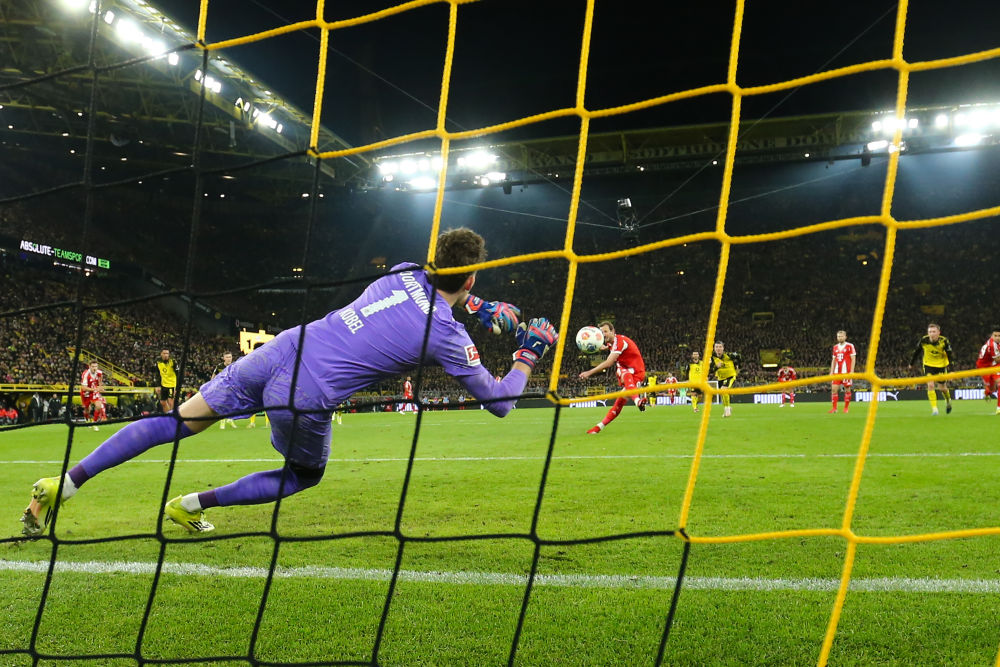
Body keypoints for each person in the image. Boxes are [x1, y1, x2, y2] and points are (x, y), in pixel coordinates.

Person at [21, 228, 557, 536]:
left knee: (176, 422)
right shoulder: (446, 335)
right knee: (303, 475)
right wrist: (528, 351)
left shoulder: (402, 269)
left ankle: (63, 483)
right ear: (472, 276)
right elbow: (500, 401)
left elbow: (436, 282)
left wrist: (479, 305)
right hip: (307, 392)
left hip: (280, 349)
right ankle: (190, 505)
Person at [579, 321, 647, 434]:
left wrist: (589, 372)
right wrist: (605, 347)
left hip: (636, 373)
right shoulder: (612, 343)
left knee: (621, 370)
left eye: (605, 331)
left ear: (613, 331)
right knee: (619, 403)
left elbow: (608, 363)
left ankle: (637, 401)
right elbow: (611, 346)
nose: (603, 334)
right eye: (601, 332)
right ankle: (598, 427)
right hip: (630, 375)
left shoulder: (619, 342)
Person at [908, 323, 953, 415]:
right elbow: (917, 352)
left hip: (941, 366)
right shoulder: (924, 340)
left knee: (942, 388)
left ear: (939, 332)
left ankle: (948, 401)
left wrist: (951, 371)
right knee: (931, 385)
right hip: (928, 365)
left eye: (933, 332)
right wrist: (911, 364)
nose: (931, 334)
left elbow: (950, 355)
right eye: (930, 332)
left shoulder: (944, 341)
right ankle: (934, 409)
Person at [707, 341, 740, 418]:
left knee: (724, 389)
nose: (718, 349)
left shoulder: (729, 355)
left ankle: (727, 410)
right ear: (714, 348)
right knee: (723, 393)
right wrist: (716, 367)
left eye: (720, 347)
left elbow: (739, 357)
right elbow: (710, 370)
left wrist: (737, 366)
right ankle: (727, 408)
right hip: (720, 378)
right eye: (716, 347)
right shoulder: (712, 358)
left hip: (730, 376)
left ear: (723, 348)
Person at [829, 330, 856, 414]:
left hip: (846, 372)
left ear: (845, 337)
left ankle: (846, 408)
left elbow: (853, 359)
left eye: (841, 336)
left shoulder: (850, 346)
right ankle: (834, 408)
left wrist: (852, 371)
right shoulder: (835, 347)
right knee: (834, 390)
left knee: (847, 389)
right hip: (837, 372)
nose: (840, 338)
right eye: (838, 336)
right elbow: (834, 360)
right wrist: (831, 371)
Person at [976, 327, 1000, 414]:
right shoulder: (992, 345)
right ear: (991, 336)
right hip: (984, 367)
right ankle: (987, 392)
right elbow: (997, 359)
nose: (997, 337)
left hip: (994, 365)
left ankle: (999, 408)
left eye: (999, 336)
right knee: (992, 389)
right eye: (995, 335)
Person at [213, 352, 239, 429]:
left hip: (232, 388)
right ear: (224, 358)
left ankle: (230, 420)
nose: (229, 359)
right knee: (222, 405)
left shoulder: (234, 365)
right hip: (222, 388)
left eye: (230, 357)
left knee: (233, 404)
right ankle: (223, 422)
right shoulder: (219, 366)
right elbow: (214, 376)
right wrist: (212, 385)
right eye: (227, 357)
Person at [80, 361, 105, 431]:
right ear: (89, 367)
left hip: (94, 391)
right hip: (86, 393)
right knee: (87, 409)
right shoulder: (86, 374)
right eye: (93, 366)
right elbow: (83, 388)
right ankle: (87, 419)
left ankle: (94, 423)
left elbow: (100, 379)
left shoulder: (99, 372)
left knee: (98, 406)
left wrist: (100, 387)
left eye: (96, 366)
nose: (94, 368)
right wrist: (95, 389)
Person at [152, 349, 179, 414]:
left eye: (167, 353)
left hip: (172, 384)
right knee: (162, 402)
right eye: (164, 353)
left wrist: (177, 387)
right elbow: (157, 374)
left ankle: (172, 415)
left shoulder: (173, 361)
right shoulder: (158, 361)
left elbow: (178, 374)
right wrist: (157, 385)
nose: (166, 355)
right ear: (161, 354)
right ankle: (168, 414)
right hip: (163, 384)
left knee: (170, 401)